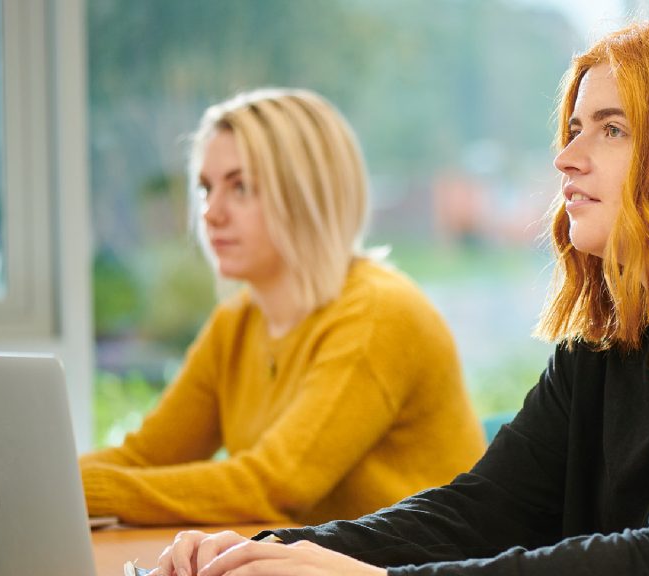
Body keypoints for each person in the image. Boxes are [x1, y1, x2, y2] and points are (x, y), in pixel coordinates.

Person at [150, 16, 649, 575]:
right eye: (573, 128)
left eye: (611, 129)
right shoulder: (616, 334)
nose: (568, 158)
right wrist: (263, 551)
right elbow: (481, 510)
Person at [80, 88, 486, 526]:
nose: (211, 213)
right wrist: (33, 484)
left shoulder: (379, 314)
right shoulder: (235, 324)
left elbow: (274, 486)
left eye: (240, 188)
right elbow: (146, 457)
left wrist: (78, 493)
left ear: (307, 194)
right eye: (205, 188)